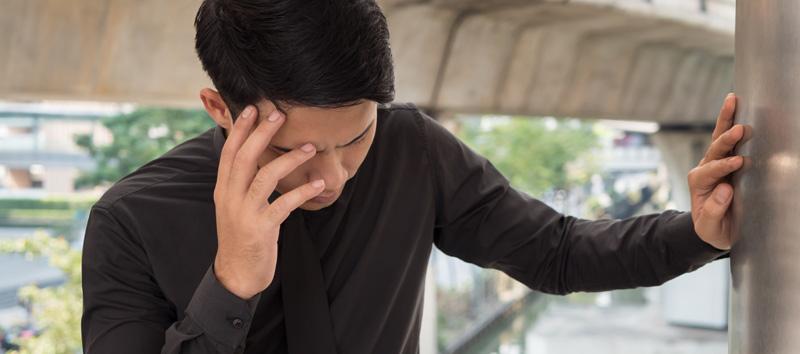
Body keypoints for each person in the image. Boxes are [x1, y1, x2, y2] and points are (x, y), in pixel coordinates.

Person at [80, 0, 743, 353]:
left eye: (356, 138)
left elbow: (557, 252)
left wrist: (699, 233)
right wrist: (232, 284)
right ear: (222, 110)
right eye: (303, 152)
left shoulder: (409, 147)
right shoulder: (131, 221)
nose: (335, 176)